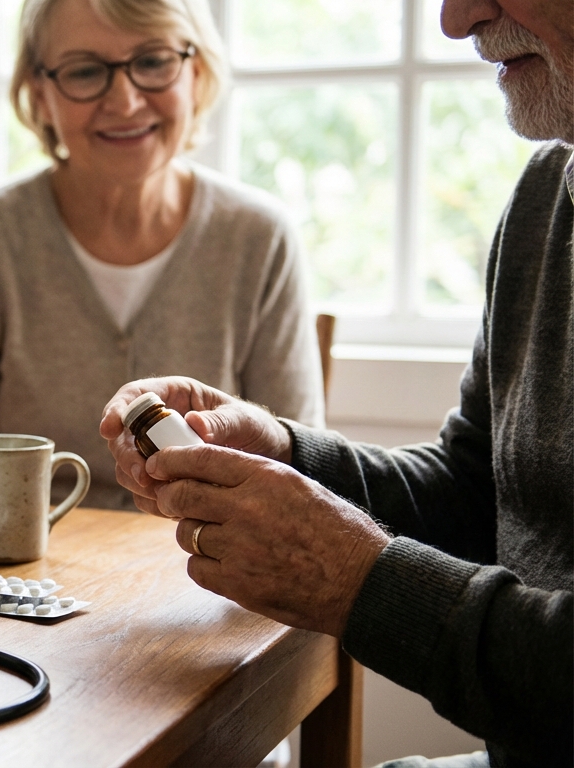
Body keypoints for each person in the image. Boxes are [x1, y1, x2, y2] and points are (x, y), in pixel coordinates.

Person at [99, 1, 573, 765]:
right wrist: (287, 452)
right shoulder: (548, 192)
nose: (455, 20)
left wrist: (357, 579)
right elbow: (471, 491)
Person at [0, 0, 324, 510]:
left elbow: (297, 476)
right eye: (85, 71)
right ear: (39, 94)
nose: (127, 102)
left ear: (195, 74)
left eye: (153, 62)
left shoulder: (259, 239)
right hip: (27, 578)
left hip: (207, 572)